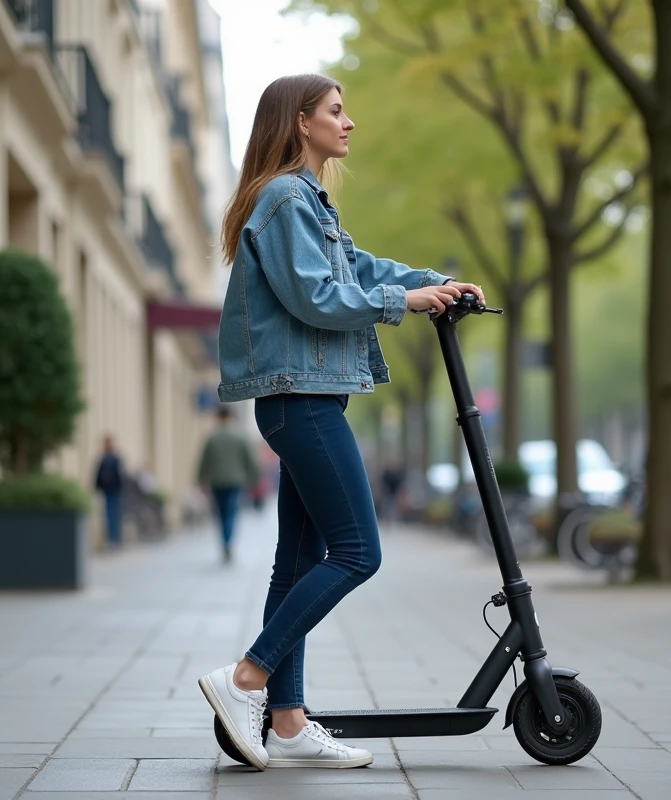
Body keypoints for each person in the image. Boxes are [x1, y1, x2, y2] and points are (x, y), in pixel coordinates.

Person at [196, 74, 484, 771]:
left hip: (306, 396)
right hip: (301, 400)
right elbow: (318, 295)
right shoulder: (286, 197)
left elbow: (356, 264)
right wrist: (403, 300)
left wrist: (432, 282)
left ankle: (288, 723)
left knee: (295, 561)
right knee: (359, 551)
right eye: (335, 111)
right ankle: (246, 680)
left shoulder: (305, 201)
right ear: (300, 122)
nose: (348, 123)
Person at [197, 406, 262, 563]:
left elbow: (204, 462)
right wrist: (256, 479)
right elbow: (250, 460)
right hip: (235, 481)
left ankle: (224, 542)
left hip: (216, 481)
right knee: (231, 512)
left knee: (220, 513)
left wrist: (201, 480)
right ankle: (228, 542)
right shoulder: (241, 437)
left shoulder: (211, 438)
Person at [94, 434, 123, 549]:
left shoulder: (116, 459)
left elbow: (121, 476)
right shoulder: (103, 459)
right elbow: (98, 474)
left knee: (114, 515)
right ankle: (111, 539)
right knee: (108, 515)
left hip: (115, 491)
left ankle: (115, 539)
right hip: (107, 491)